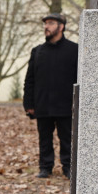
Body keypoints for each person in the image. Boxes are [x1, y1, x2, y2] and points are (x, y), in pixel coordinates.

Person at [23, 12, 78, 179]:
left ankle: (68, 167)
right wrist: (29, 104)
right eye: (45, 24)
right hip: (43, 104)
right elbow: (29, 80)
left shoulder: (74, 50)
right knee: (44, 139)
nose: (46, 27)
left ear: (61, 27)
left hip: (66, 105)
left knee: (67, 139)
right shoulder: (37, 51)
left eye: (51, 23)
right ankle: (45, 167)